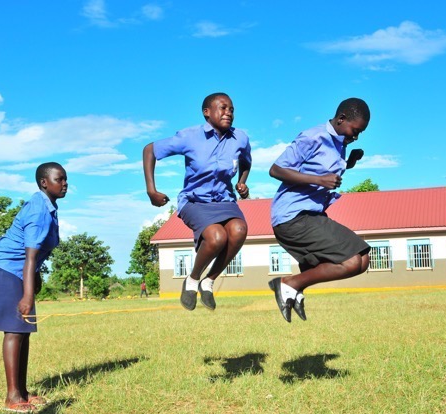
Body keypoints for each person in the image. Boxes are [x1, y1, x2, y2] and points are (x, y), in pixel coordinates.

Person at [0, 162, 68, 413]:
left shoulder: (48, 206)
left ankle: (22, 391)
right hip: (4, 270)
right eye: (59, 179)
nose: (65, 184)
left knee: (23, 330)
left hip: (17, 271)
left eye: (66, 179)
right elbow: (30, 256)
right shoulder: (38, 210)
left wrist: (33, 281)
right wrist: (26, 294)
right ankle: (12, 397)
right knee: (14, 328)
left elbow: (34, 259)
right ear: (44, 182)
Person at [143, 92, 251, 311]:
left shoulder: (240, 138)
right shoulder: (189, 137)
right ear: (207, 112)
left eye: (231, 109)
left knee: (239, 230)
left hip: (224, 199)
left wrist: (242, 182)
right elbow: (150, 150)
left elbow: (246, 160)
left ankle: (208, 281)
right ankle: (191, 281)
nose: (228, 113)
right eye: (222, 108)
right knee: (216, 237)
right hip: (194, 200)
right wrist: (151, 190)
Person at [268, 98, 371, 322]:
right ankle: (288, 284)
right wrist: (319, 180)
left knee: (362, 260)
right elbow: (275, 170)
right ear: (341, 119)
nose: (355, 137)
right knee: (352, 260)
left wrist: (349, 162)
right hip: (293, 216)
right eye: (355, 130)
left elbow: (325, 169)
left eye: (360, 133)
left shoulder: (340, 144)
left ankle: (295, 288)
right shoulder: (313, 137)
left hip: (311, 215)